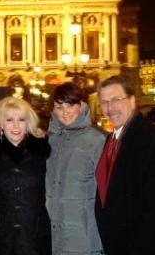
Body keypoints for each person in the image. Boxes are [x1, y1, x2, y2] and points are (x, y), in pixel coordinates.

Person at [95, 75, 155, 254]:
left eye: (116, 99)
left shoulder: (150, 139)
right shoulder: (113, 138)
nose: (110, 107)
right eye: (104, 102)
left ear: (132, 100)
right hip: (119, 243)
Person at [0, 97, 51, 255]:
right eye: (10, 119)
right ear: (1, 124)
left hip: (36, 234)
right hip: (1, 236)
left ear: (28, 123)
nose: (16, 125)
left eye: (21, 119)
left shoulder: (42, 152)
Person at [46, 82, 105, 255]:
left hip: (86, 237)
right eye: (59, 106)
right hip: (55, 234)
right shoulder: (50, 141)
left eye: (70, 104)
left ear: (81, 105)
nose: (65, 112)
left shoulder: (97, 141)